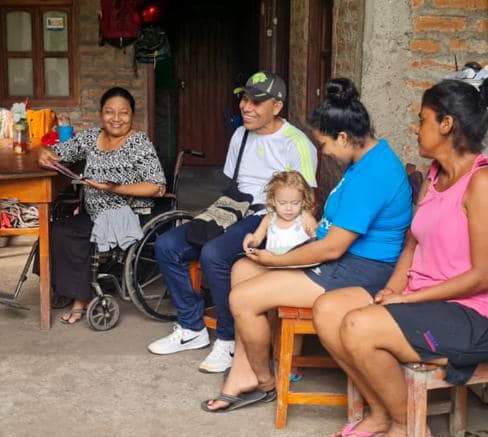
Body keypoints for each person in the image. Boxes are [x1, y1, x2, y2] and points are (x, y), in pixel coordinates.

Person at [313, 78, 488, 437]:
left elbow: (485, 276)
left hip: (483, 316)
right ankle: (380, 414)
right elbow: (412, 240)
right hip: (431, 300)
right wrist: (395, 286)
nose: (415, 127)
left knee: (359, 326)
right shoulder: (436, 174)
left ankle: (408, 428)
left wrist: (408, 300)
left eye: (422, 119)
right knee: (327, 309)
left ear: (447, 124)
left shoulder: (487, 183)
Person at [201, 78, 413, 412]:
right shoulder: (366, 160)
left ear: (344, 137)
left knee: (242, 298)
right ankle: (244, 372)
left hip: (357, 272)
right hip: (341, 261)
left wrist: (275, 260)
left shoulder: (374, 173)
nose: (324, 152)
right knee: (242, 268)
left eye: (325, 144)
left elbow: (332, 249)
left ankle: (265, 381)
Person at [150, 71, 317, 374]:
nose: (246, 107)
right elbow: (234, 185)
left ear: (277, 106)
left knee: (215, 254)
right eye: (244, 99)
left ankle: (227, 340)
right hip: (235, 206)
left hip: (269, 216)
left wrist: (287, 217)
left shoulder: (297, 144)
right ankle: (192, 328)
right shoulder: (240, 135)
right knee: (167, 245)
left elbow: (304, 201)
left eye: (256, 101)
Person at [35, 87, 166, 324]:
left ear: (132, 116)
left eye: (123, 113)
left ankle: (80, 299)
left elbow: (157, 186)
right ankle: (64, 286)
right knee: (54, 230)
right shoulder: (90, 138)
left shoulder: (139, 143)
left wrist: (113, 188)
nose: (116, 118)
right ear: (101, 114)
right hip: (95, 213)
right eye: (109, 112)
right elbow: (57, 151)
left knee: (77, 236)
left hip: (126, 215)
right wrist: (44, 152)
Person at [242, 170, 318, 256]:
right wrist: (250, 240)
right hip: (272, 264)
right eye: (282, 203)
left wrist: (313, 236)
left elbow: (318, 242)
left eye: (295, 203)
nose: (289, 208)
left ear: (303, 201)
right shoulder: (269, 218)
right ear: (273, 201)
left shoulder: (305, 218)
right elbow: (257, 239)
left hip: (297, 265)